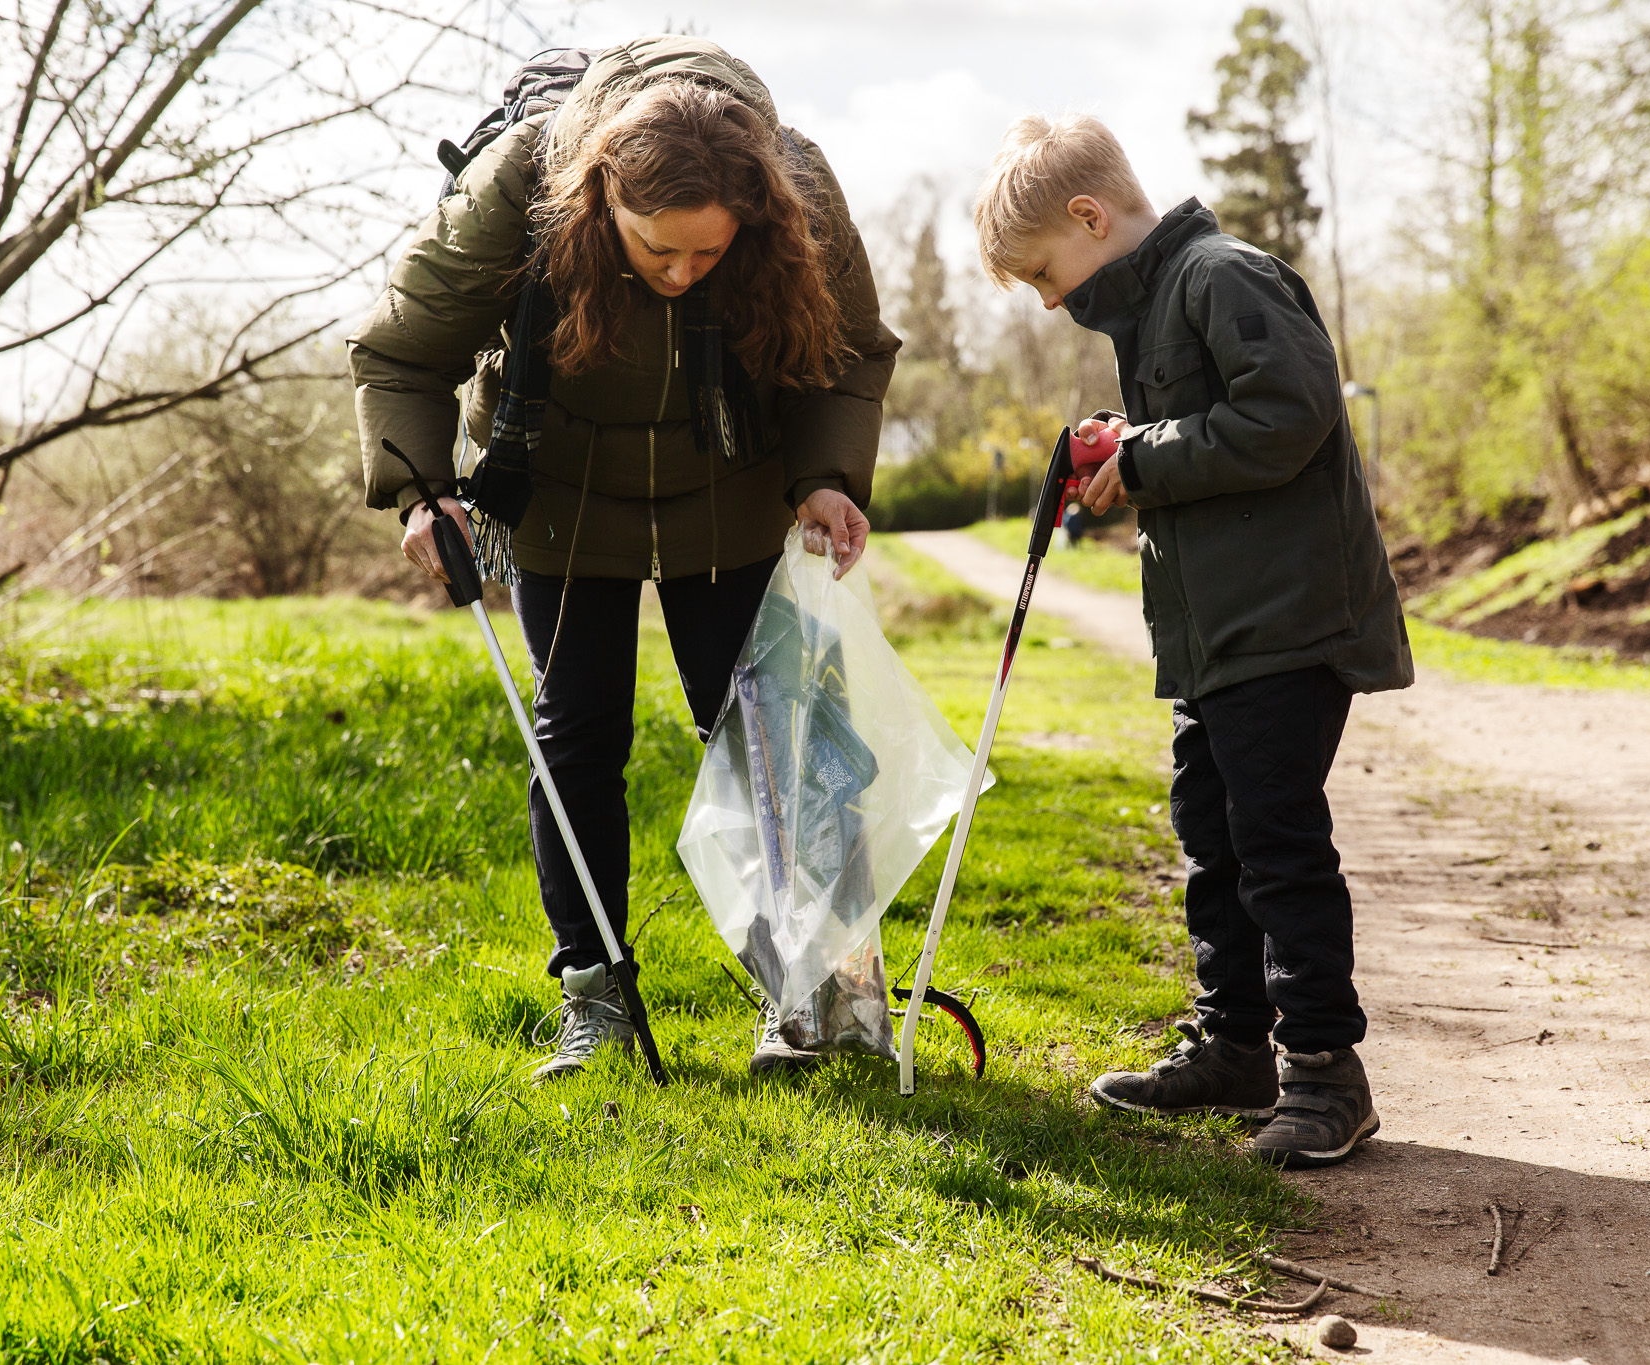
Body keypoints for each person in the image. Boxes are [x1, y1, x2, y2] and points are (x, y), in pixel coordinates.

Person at [350, 38, 898, 1081]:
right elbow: (399, 350)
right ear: (601, 195)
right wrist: (424, 493)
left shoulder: (796, 187)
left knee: (771, 734)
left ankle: (813, 990)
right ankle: (594, 998)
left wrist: (826, 476)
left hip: (732, 484)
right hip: (558, 490)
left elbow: (849, 351)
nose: (682, 275)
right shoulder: (520, 185)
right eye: (657, 250)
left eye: (709, 254)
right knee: (578, 738)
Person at [972, 114, 1413, 1168]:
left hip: (1285, 624)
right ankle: (1235, 1049)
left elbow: (1289, 415)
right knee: (1212, 835)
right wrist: (1123, 454)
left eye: (1044, 275)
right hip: (1213, 636)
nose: (1049, 301)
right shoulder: (1154, 309)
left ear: (1089, 217)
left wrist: (1144, 455)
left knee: (1275, 843)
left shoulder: (1222, 275)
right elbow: (1201, 447)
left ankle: (1325, 1072)